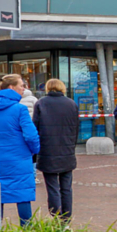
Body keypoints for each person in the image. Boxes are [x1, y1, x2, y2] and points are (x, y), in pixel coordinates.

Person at [0, 74, 41, 227]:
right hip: (20, 159)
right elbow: (31, 136)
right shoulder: (20, 109)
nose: (24, 88)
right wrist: (32, 151)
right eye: (21, 85)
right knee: (22, 195)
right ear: (11, 87)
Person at [32, 78, 79, 221]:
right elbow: (76, 128)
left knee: (52, 186)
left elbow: (35, 128)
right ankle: (67, 216)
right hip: (67, 150)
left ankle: (56, 214)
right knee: (66, 187)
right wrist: (72, 145)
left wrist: (35, 152)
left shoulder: (41, 103)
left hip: (47, 151)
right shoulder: (71, 104)